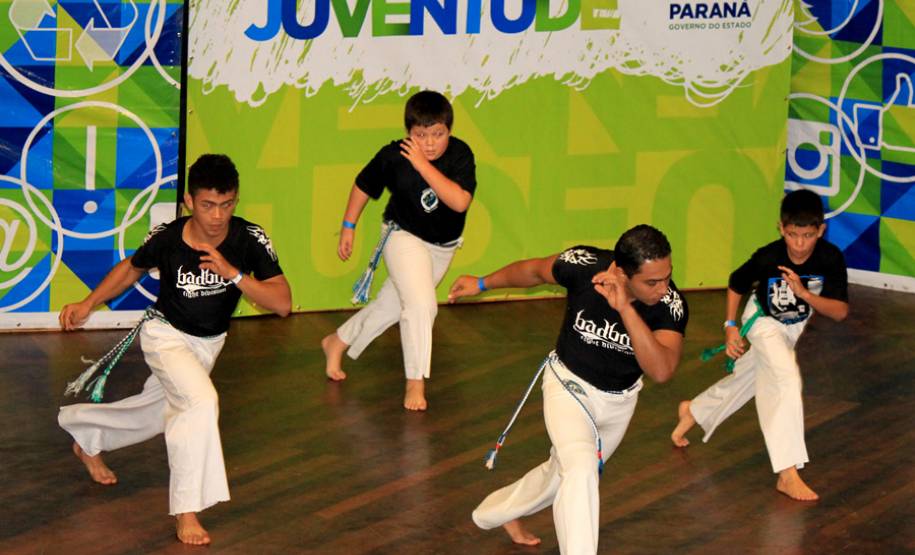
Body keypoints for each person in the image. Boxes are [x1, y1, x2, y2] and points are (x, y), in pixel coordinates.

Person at [58, 154, 292, 545]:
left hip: (208, 344)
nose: (217, 216)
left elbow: (283, 302)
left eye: (227, 204)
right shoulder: (167, 238)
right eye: (207, 205)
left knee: (156, 414)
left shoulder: (249, 239)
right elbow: (131, 268)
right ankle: (187, 510)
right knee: (200, 403)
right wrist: (88, 303)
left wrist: (233, 274)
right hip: (165, 335)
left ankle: (88, 438)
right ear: (188, 200)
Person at [449, 225, 688, 554]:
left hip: (619, 403)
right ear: (620, 271)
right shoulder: (584, 265)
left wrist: (626, 309)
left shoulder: (669, 305)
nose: (663, 288)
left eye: (667, 276)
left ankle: (495, 512)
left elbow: (661, 370)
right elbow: (534, 271)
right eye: (652, 281)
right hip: (568, 387)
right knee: (581, 469)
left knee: (560, 476)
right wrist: (480, 283)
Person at [670, 189, 848, 501]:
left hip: (792, 328)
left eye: (808, 235)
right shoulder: (769, 256)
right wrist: (730, 327)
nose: (800, 244)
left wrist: (805, 294)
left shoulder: (830, 258)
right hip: (763, 321)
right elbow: (736, 283)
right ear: (781, 228)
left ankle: (694, 411)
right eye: (793, 235)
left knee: (751, 379)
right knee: (785, 380)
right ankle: (787, 471)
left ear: (820, 230)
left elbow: (840, 311)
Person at [321, 90, 477, 411]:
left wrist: (422, 165)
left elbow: (459, 201)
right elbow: (364, 185)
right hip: (402, 236)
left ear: (449, 130)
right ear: (409, 133)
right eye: (421, 135)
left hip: (442, 249)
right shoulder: (394, 156)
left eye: (438, 134)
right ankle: (415, 381)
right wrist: (348, 226)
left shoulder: (460, 154)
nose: (430, 143)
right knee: (421, 305)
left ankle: (337, 341)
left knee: (392, 306)